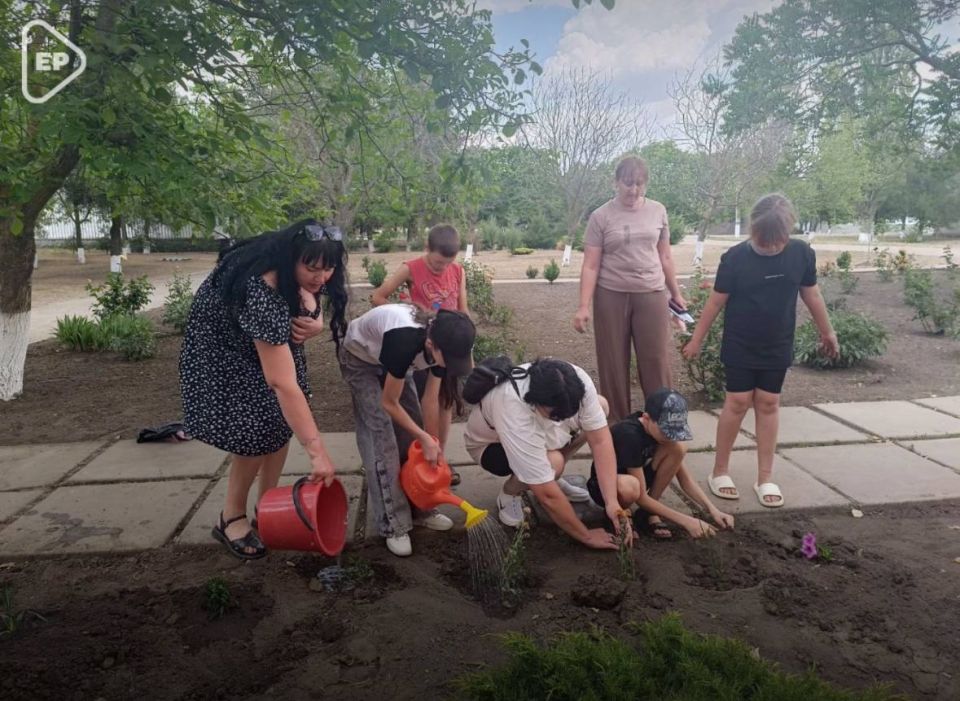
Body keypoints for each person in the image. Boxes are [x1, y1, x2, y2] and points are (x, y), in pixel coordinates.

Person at [179, 220, 348, 559]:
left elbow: (309, 297)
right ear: (290, 259)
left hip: (261, 334)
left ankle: (267, 505)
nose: (321, 277)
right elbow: (281, 383)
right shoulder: (262, 291)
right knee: (254, 429)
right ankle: (230, 517)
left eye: (328, 268)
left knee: (280, 421)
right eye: (312, 268)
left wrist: (314, 319)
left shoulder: (290, 269)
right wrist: (317, 451)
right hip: (222, 345)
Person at [682, 194, 839, 508]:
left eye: (778, 242)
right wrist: (696, 339)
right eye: (765, 242)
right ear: (753, 229)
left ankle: (765, 477)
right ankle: (719, 471)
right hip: (740, 342)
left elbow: (812, 294)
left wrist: (828, 331)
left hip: (777, 342)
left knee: (768, 403)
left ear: (788, 231)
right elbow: (715, 302)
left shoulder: (801, 254)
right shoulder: (735, 258)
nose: (771, 248)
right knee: (738, 402)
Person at [340, 303, 476, 557]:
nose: (453, 364)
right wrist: (423, 436)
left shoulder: (443, 345)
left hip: (394, 363)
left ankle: (421, 508)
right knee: (382, 438)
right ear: (431, 345)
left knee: (411, 431)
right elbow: (388, 403)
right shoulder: (404, 340)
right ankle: (393, 524)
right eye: (450, 359)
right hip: (361, 359)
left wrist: (432, 444)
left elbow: (430, 400)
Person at [463, 358, 631, 550]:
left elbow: (601, 441)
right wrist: (586, 536)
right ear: (535, 400)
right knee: (554, 463)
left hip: (539, 431)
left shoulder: (577, 379)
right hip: (490, 446)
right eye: (556, 415)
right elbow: (547, 496)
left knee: (600, 407)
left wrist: (612, 502)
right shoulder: (513, 407)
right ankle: (510, 493)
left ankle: (549, 476)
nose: (563, 419)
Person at [573, 155, 686, 422]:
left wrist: (677, 295)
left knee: (657, 363)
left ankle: (664, 428)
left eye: (639, 183)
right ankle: (619, 431)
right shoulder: (600, 216)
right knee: (612, 364)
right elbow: (590, 265)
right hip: (611, 296)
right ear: (616, 182)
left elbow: (665, 257)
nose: (633, 190)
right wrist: (583, 306)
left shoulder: (658, 211)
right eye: (627, 183)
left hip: (652, 294)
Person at [371, 224, 470, 482]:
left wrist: (465, 345)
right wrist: (407, 311)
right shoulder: (410, 268)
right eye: (437, 263)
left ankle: (441, 458)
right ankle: (424, 455)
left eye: (447, 264)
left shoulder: (458, 271)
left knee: (445, 402)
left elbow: (462, 310)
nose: (441, 269)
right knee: (426, 403)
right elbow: (378, 298)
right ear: (427, 249)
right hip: (422, 348)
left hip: (447, 346)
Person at [586, 388, 735, 539]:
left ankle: (648, 512)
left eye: (675, 431)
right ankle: (618, 515)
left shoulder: (656, 432)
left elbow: (685, 480)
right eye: (666, 431)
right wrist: (687, 521)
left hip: (636, 481)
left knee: (678, 448)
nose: (670, 436)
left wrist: (713, 510)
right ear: (646, 418)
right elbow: (641, 497)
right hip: (605, 488)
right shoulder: (629, 435)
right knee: (631, 486)